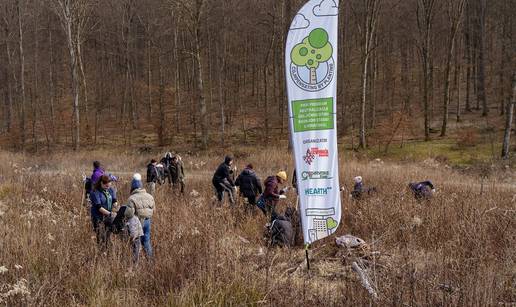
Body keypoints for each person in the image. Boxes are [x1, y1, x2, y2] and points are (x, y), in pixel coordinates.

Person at [127, 173, 155, 259]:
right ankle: (150, 260)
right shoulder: (150, 196)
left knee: (137, 242)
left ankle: (136, 263)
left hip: (137, 223)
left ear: (132, 187)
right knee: (146, 241)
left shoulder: (132, 198)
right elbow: (154, 210)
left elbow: (130, 214)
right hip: (147, 221)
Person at [90, 175, 118, 250]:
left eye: (108, 185)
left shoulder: (111, 189)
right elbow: (99, 207)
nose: (107, 187)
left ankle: (108, 253)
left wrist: (115, 206)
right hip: (98, 218)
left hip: (108, 217)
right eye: (105, 185)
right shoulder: (95, 192)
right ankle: (101, 253)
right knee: (101, 237)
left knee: (108, 236)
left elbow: (114, 200)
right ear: (100, 183)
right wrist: (110, 214)